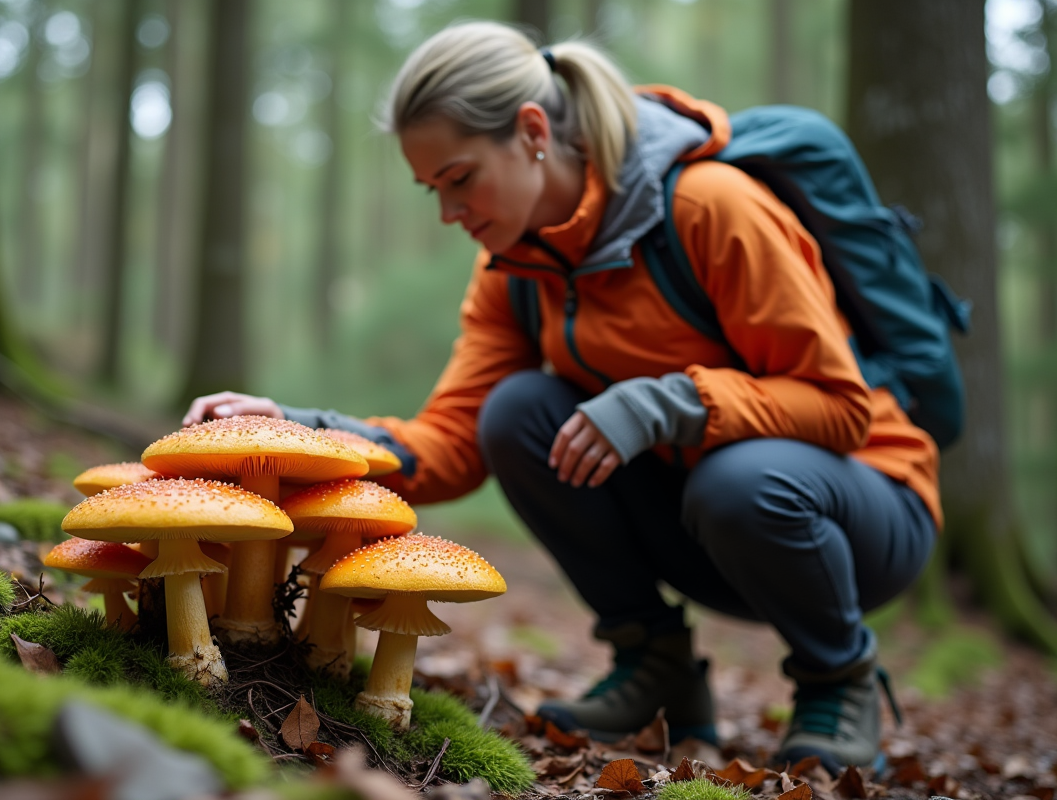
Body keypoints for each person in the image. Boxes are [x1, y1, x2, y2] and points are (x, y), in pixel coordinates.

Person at [183, 21, 939, 775]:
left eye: (459, 177)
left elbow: (841, 407)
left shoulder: (712, 208)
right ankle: (656, 666)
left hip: (859, 512)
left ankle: (840, 679)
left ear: (533, 131)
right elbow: (454, 442)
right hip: (705, 521)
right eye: (431, 189)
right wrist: (301, 432)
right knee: (519, 412)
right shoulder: (513, 267)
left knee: (738, 481)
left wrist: (662, 403)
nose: (449, 212)